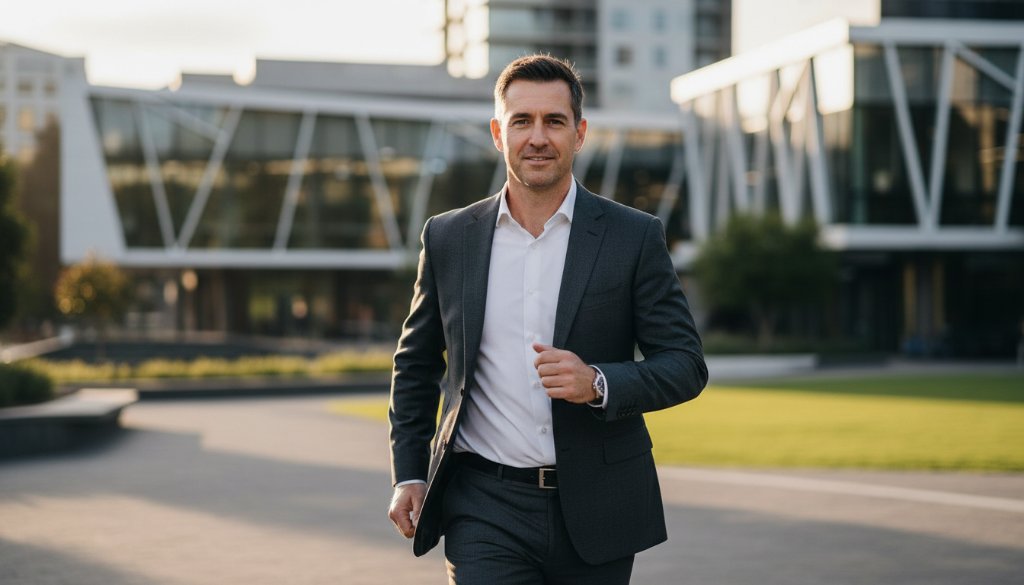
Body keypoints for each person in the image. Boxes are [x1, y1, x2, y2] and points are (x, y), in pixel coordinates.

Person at [387, 54, 708, 584]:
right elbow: (416, 364)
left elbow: (685, 364)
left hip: (600, 506)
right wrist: (410, 474)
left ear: (579, 133)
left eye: (554, 121)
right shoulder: (448, 238)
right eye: (522, 121)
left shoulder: (634, 237)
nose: (538, 137)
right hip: (483, 507)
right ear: (498, 132)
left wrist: (598, 383)